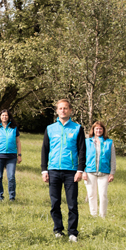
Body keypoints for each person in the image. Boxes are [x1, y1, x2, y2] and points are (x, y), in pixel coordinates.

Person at [41, 99, 85, 242]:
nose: (63, 110)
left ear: (70, 110)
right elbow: (45, 150)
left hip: (71, 171)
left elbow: (82, 151)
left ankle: (73, 232)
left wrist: (80, 170)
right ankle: (58, 230)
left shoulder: (78, 128)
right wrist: (44, 170)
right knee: (55, 203)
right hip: (53, 169)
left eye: (65, 108)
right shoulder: (50, 128)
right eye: (60, 108)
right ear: (57, 111)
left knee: (72, 203)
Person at [82, 121, 115, 218]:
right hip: (90, 171)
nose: (98, 130)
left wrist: (112, 173)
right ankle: (93, 215)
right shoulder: (87, 142)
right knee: (92, 195)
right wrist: (83, 171)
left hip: (104, 172)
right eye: (96, 128)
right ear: (93, 130)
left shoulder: (109, 142)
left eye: (100, 128)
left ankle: (102, 215)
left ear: (103, 130)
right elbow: (82, 157)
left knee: (103, 195)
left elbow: (112, 159)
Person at [0, 109, 22, 201]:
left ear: (9, 117)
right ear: (0, 117)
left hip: (12, 156)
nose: (4, 117)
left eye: (6, 115)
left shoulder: (14, 128)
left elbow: (18, 142)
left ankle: (12, 197)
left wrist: (19, 154)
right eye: (3, 115)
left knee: (11, 177)